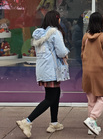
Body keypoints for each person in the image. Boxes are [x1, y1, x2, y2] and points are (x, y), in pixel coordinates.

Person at [16, 10, 69, 138]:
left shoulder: (40, 33)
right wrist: (66, 53)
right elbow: (61, 51)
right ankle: (27, 121)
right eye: (59, 18)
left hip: (42, 69)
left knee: (54, 95)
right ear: (56, 19)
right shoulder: (55, 32)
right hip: (52, 69)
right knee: (50, 98)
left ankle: (54, 123)